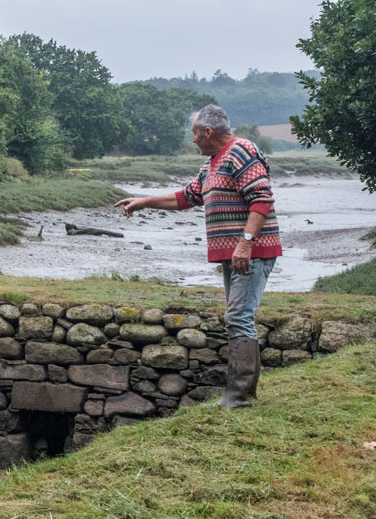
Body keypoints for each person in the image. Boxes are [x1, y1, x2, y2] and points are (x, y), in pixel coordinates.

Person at [113, 104, 280, 407]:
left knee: (238, 316)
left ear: (207, 131)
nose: (192, 141)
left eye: (194, 134)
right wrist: (145, 201)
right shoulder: (213, 162)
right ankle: (243, 394)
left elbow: (262, 198)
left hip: (250, 251)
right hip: (236, 253)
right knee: (239, 316)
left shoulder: (242, 151)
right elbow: (188, 197)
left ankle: (238, 397)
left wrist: (245, 242)